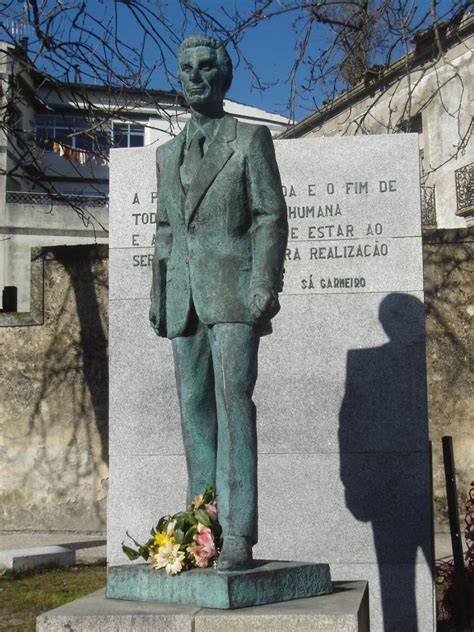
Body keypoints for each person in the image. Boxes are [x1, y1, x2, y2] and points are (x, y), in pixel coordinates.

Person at [149, 34, 288, 570]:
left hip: (233, 293)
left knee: (234, 406)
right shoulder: (166, 156)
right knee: (194, 413)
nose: (195, 77)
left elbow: (269, 215)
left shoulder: (249, 140)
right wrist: (159, 292)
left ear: (223, 76)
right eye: (186, 69)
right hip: (183, 297)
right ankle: (199, 530)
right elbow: (165, 229)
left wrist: (263, 282)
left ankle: (238, 533)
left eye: (206, 67)